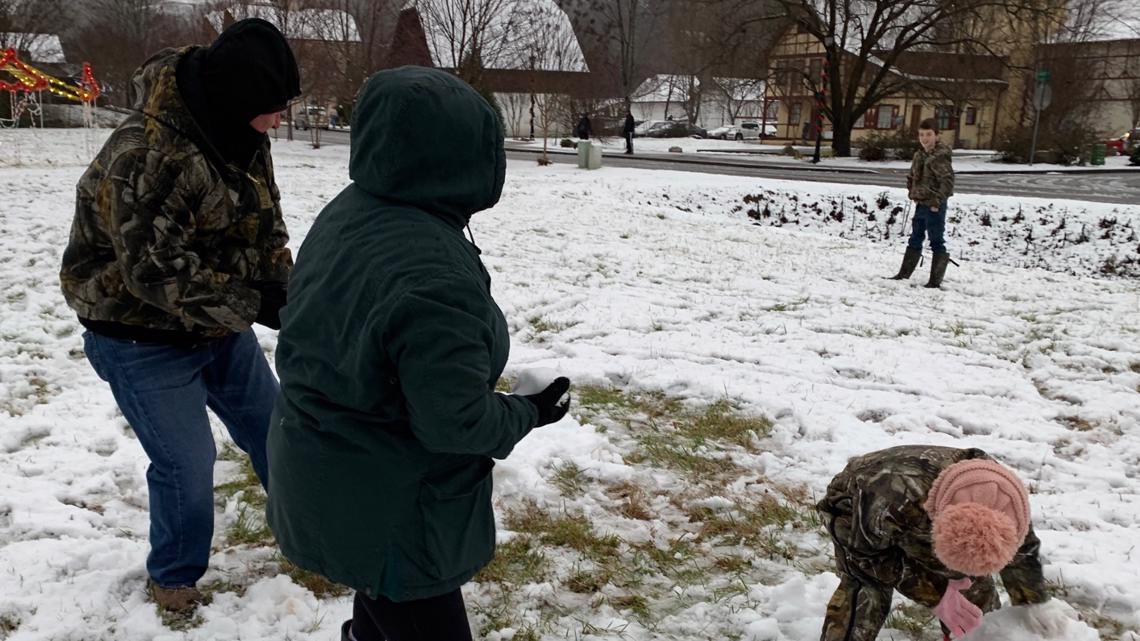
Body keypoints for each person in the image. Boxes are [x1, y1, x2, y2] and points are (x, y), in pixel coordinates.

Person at [265, 67, 573, 641]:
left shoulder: (355, 208)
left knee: (381, 604)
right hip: (392, 505)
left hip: (328, 466)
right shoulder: (432, 274)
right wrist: (529, 411)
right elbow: (454, 422)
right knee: (406, 602)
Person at [58, 18, 300, 613]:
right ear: (238, 99)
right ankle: (174, 575)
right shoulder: (145, 154)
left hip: (216, 324)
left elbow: (264, 227)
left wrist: (289, 295)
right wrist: (253, 304)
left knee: (278, 431)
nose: (280, 119)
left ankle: (312, 535)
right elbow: (156, 272)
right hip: (139, 335)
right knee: (188, 464)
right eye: (273, 107)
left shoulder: (244, 137)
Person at [817, 445, 1074, 641]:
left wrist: (1033, 600)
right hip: (855, 505)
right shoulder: (890, 496)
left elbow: (1023, 552)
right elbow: (867, 556)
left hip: (920, 510)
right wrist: (935, 594)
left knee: (973, 591)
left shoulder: (1008, 504)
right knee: (867, 588)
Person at [890, 118, 955, 288]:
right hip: (921, 203)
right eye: (921, 135)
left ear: (937, 136)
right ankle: (904, 274)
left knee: (936, 240)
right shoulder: (920, 155)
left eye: (929, 134)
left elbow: (947, 182)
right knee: (916, 237)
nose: (925, 138)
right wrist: (911, 189)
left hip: (934, 205)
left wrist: (937, 201)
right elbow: (912, 176)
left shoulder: (939, 157)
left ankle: (935, 280)